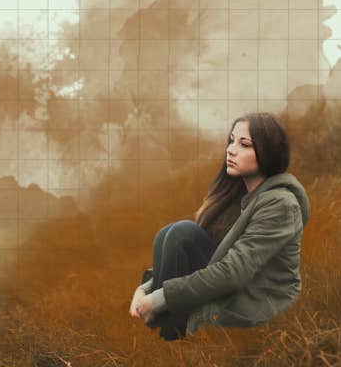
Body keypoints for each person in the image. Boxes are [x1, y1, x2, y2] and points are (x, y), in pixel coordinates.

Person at [127, 112, 311, 341]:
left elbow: (233, 272)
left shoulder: (281, 205)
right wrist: (146, 290)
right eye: (231, 140)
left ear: (268, 153)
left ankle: (171, 338)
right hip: (235, 288)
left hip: (255, 302)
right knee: (170, 234)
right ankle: (170, 337)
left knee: (183, 234)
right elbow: (215, 254)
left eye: (244, 144)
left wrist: (157, 300)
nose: (231, 149)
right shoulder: (239, 197)